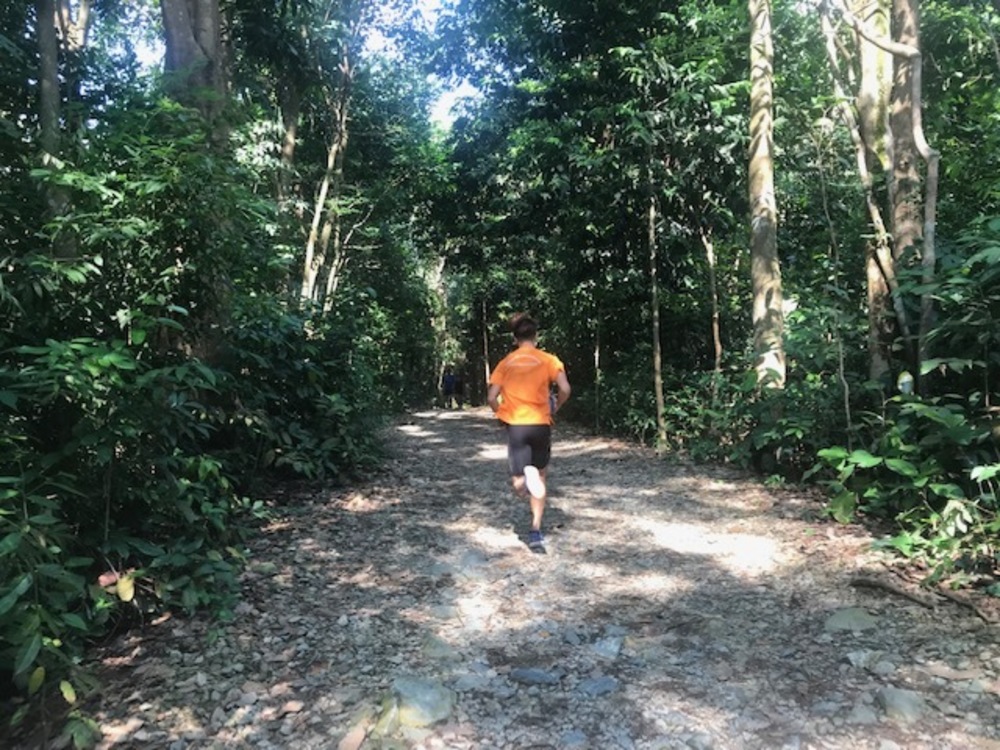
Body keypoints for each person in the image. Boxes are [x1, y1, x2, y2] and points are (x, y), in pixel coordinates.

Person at [487, 313, 571, 551]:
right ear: (536, 336)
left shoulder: (506, 363)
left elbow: (491, 397)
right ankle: (535, 530)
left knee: (518, 481)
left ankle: (525, 480)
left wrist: (500, 414)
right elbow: (565, 388)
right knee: (541, 476)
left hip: (516, 426)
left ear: (515, 338)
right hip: (541, 424)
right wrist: (556, 405)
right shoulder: (549, 360)